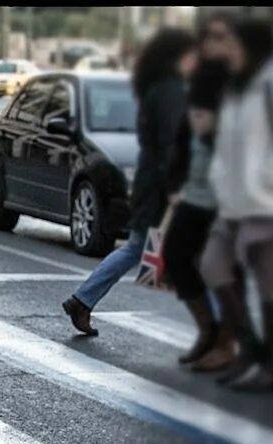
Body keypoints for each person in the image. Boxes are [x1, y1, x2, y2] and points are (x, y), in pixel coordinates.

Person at [199, 18, 273, 392]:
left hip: (269, 204)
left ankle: (272, 366)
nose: (226, 50)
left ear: (251, 45)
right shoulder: (237, 86)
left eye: (232, 42)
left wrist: (266, 178)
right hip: (234, 203)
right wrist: (220, 176)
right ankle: (251, 349)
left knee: (269, 285)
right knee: (213, 266)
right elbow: (227, 142)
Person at [63, 28, 198, 336]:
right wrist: (178, 185)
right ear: (178, 56)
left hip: (152, 184)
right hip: (161, 188)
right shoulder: (170, 90)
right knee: (187, 252)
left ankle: (82, 301)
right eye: (192, 55)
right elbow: (169, 144)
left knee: (140, 246)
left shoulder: (158, 87)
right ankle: (222, 330)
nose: (195, 61)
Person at [160, 12, 237, 367]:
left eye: (221, 37)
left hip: (230, 193)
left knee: (225, 268)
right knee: (174, 258)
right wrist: (174, 183)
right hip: (194, 190)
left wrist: (215, 127)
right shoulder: (202, 80)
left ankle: (226, 342)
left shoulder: (240, 83)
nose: (214, 44)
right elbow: (183, 136)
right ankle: (207, 330)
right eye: (209, 37)